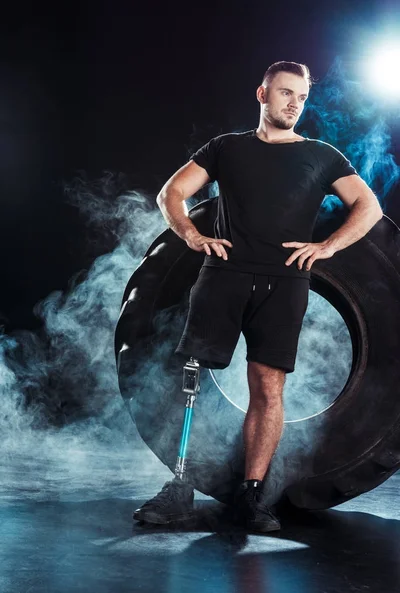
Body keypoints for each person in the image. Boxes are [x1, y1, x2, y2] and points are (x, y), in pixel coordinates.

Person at [133, 61, 383, 533]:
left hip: (284, 283)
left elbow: (368, 206)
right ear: (262, 94)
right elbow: (172, 193)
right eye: (285, 93)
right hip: (223, 276)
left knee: (268, 390)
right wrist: (189, 234)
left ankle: (251, 497)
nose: (294, 103)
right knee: (191, 379)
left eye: (302, 97)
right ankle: (180, 488)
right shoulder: (226, 149)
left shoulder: (323, 155)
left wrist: (327, 246)